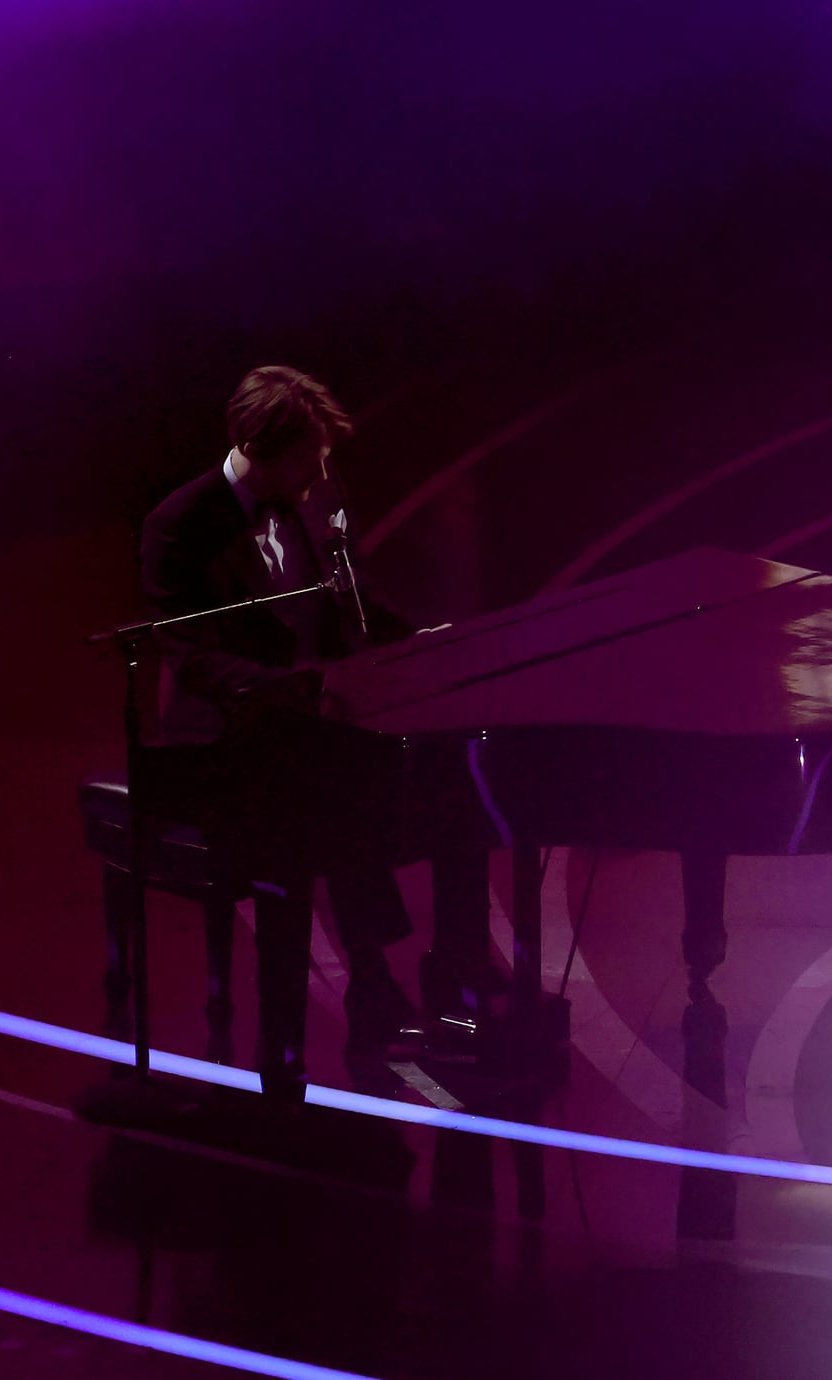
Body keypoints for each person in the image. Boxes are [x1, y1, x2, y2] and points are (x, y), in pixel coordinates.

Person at [139, 365, 492, 1091]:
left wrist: (422, 643)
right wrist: (288, 690)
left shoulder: (318, 492)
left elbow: (355, 597)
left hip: (321, 717)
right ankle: (373, 982)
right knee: (326, 784)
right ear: (256, 447)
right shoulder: (179, 525)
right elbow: (193, 657)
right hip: (229, 738)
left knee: (463, 767)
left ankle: (454, 974)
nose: (320, 471)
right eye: (307, 457)